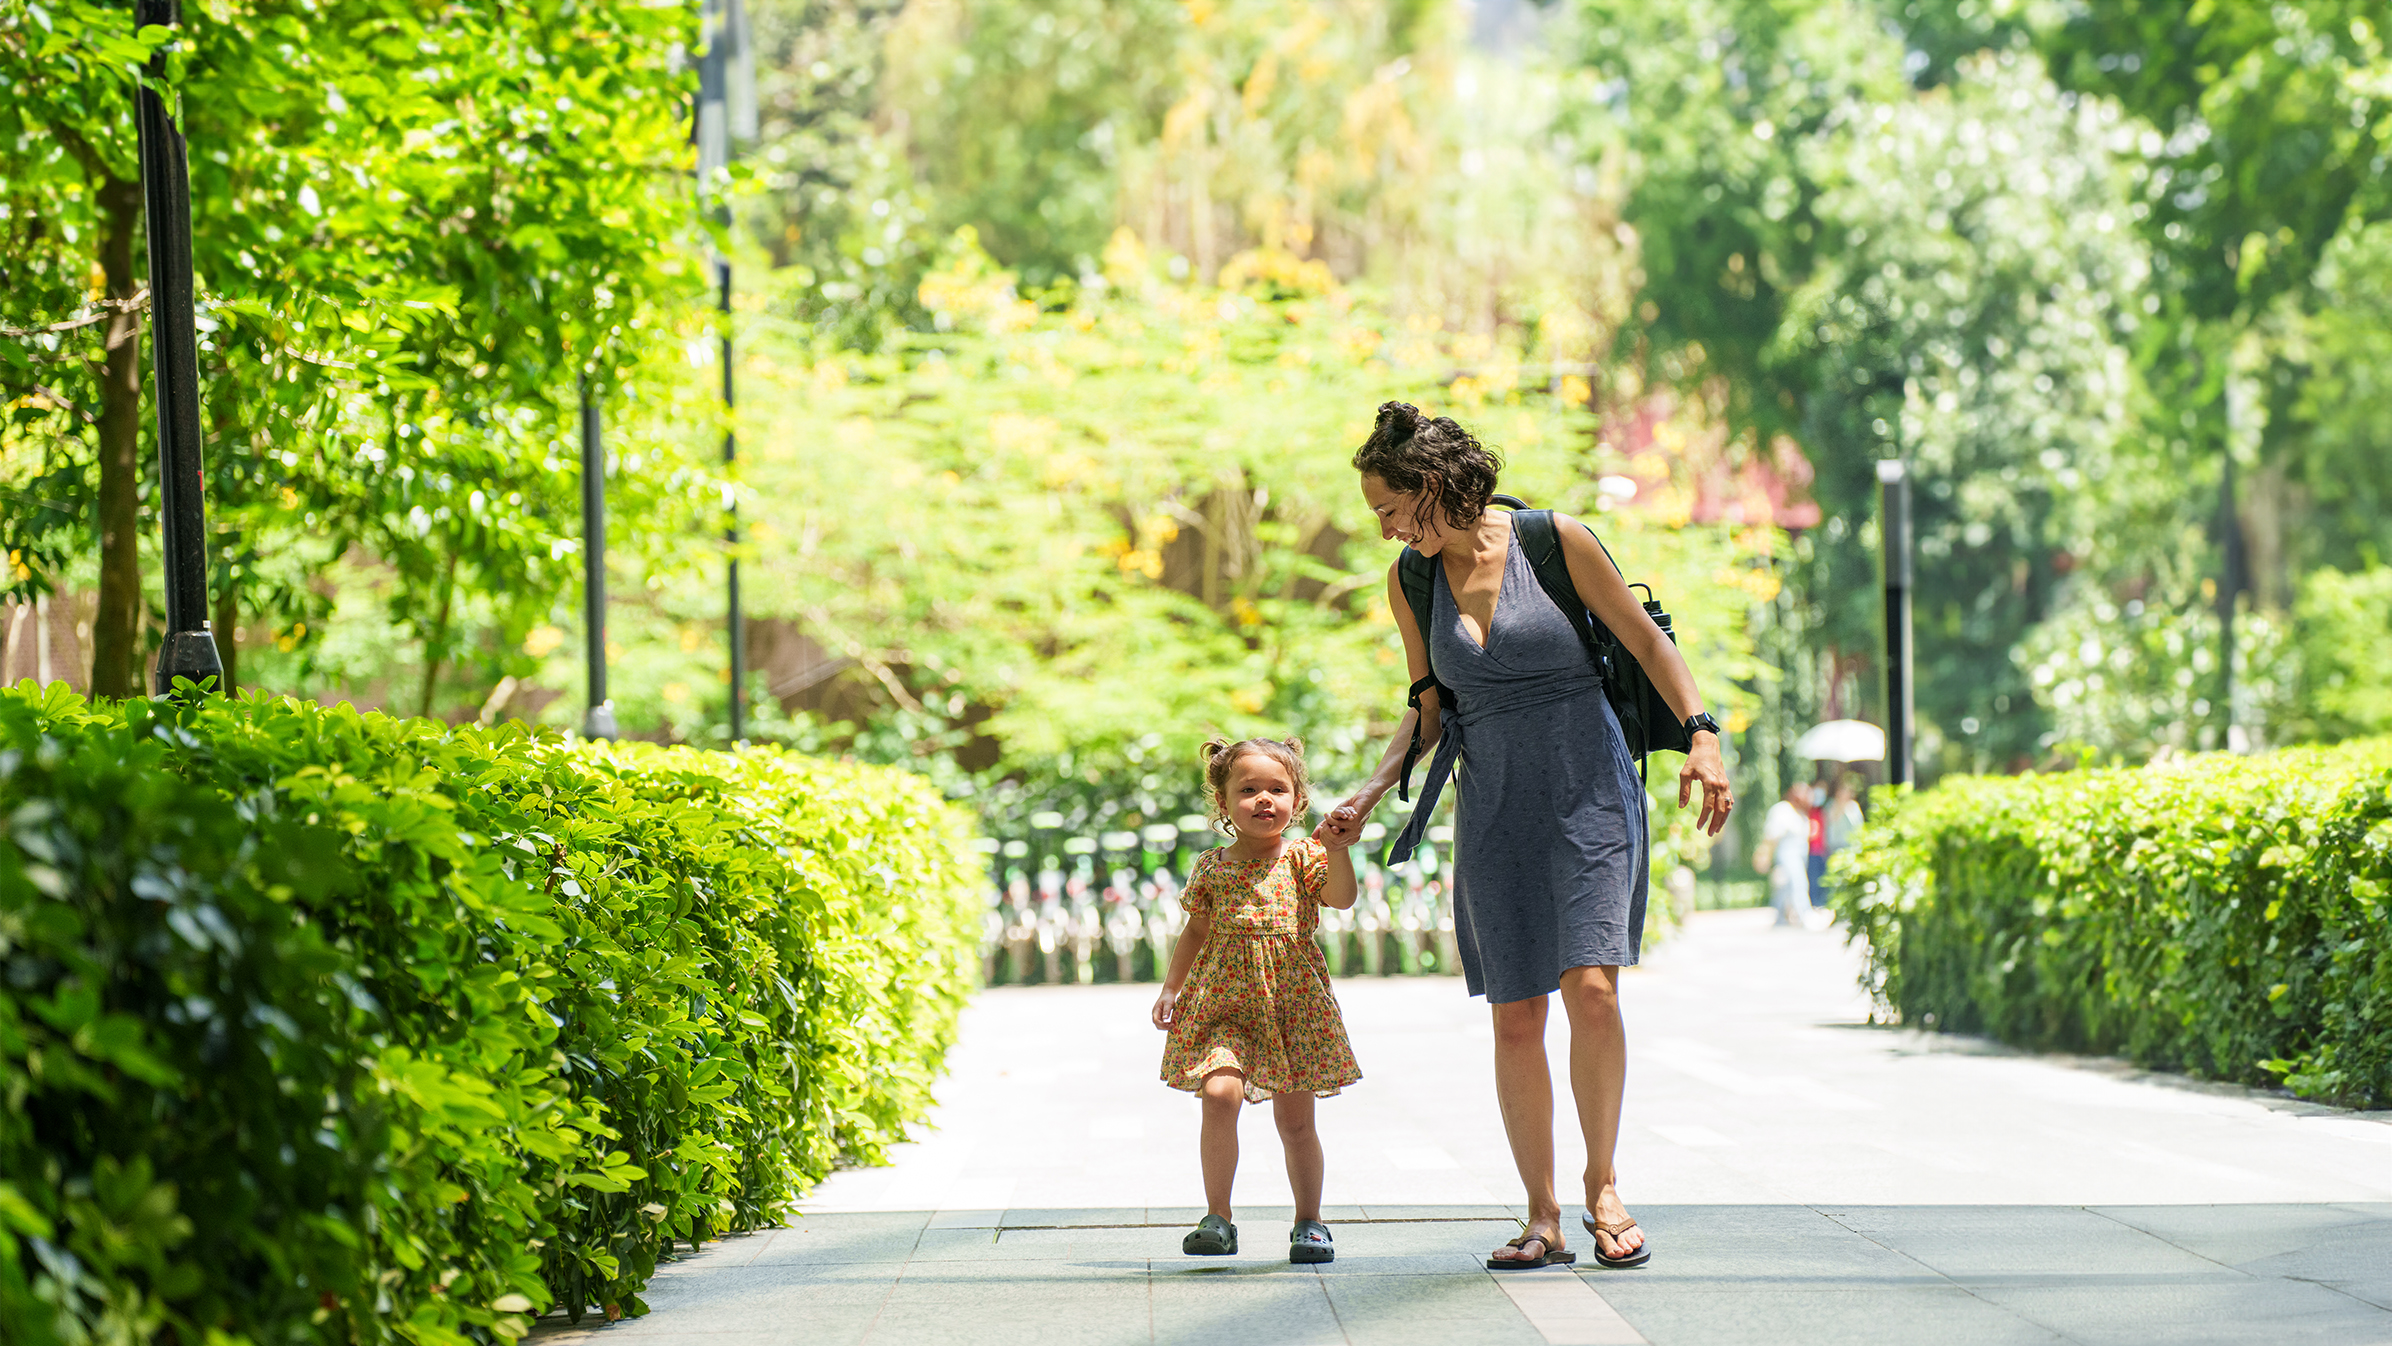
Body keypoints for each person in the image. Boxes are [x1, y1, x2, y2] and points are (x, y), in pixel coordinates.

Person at [1315, 402, 1733, 1272]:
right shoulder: (1412, 580)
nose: (1384, 527)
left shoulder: (1554, 540)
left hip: (1588, 786)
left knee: (1592, 987)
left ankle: (1604, 1185)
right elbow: (1428, 707)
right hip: (1494, 798)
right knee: (1515, 1014)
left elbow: (1647, 643)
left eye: (1390, 507)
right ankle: (1540, 1214)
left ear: (1433, 487)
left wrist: (1702, 733)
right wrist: (1372, 788)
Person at [1153, 736, 1363, 1264]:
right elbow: (1196, 930)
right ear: (1223, 804)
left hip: (1290, 1005)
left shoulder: (1303, 857)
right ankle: (1217, 1217)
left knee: (1296, 1123)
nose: (1264, 799)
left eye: (1278, 788)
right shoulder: (1211, 867)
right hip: (1222, 1001)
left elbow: (1341, 898)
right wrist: (1170, 988)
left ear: (1298, 800)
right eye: (1248, 790)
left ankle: (1309, 1221)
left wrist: (1337, 851)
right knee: (1219, 1094)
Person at [1759, 780, 1813, 927]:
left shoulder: (1800, 813)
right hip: (1787, 855)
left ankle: (1780, 919)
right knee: (1798, 883)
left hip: (1799, 855)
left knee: (1784, 888)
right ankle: (1804, 915)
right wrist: (1764, 856)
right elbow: (1771, 836)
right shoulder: (1782, 810)